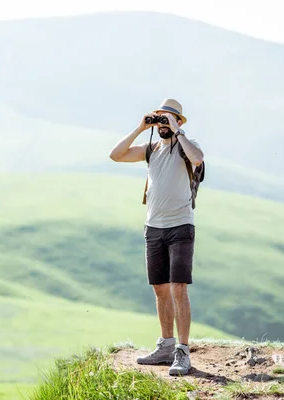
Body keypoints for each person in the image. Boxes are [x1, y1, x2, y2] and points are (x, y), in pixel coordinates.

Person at [108, 98, 204, 376]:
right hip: (154, 227)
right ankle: (165, 346)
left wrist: (178, 130)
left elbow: (198, 158)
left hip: (181, 226)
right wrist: (140, 127)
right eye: (160, 119)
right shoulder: (150, 150)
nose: (163, 124)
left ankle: (182, 352)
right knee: (160, 290)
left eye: (168, 119)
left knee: (178, 289)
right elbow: (115, 155)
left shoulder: (185, 147)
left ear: (178, 122)